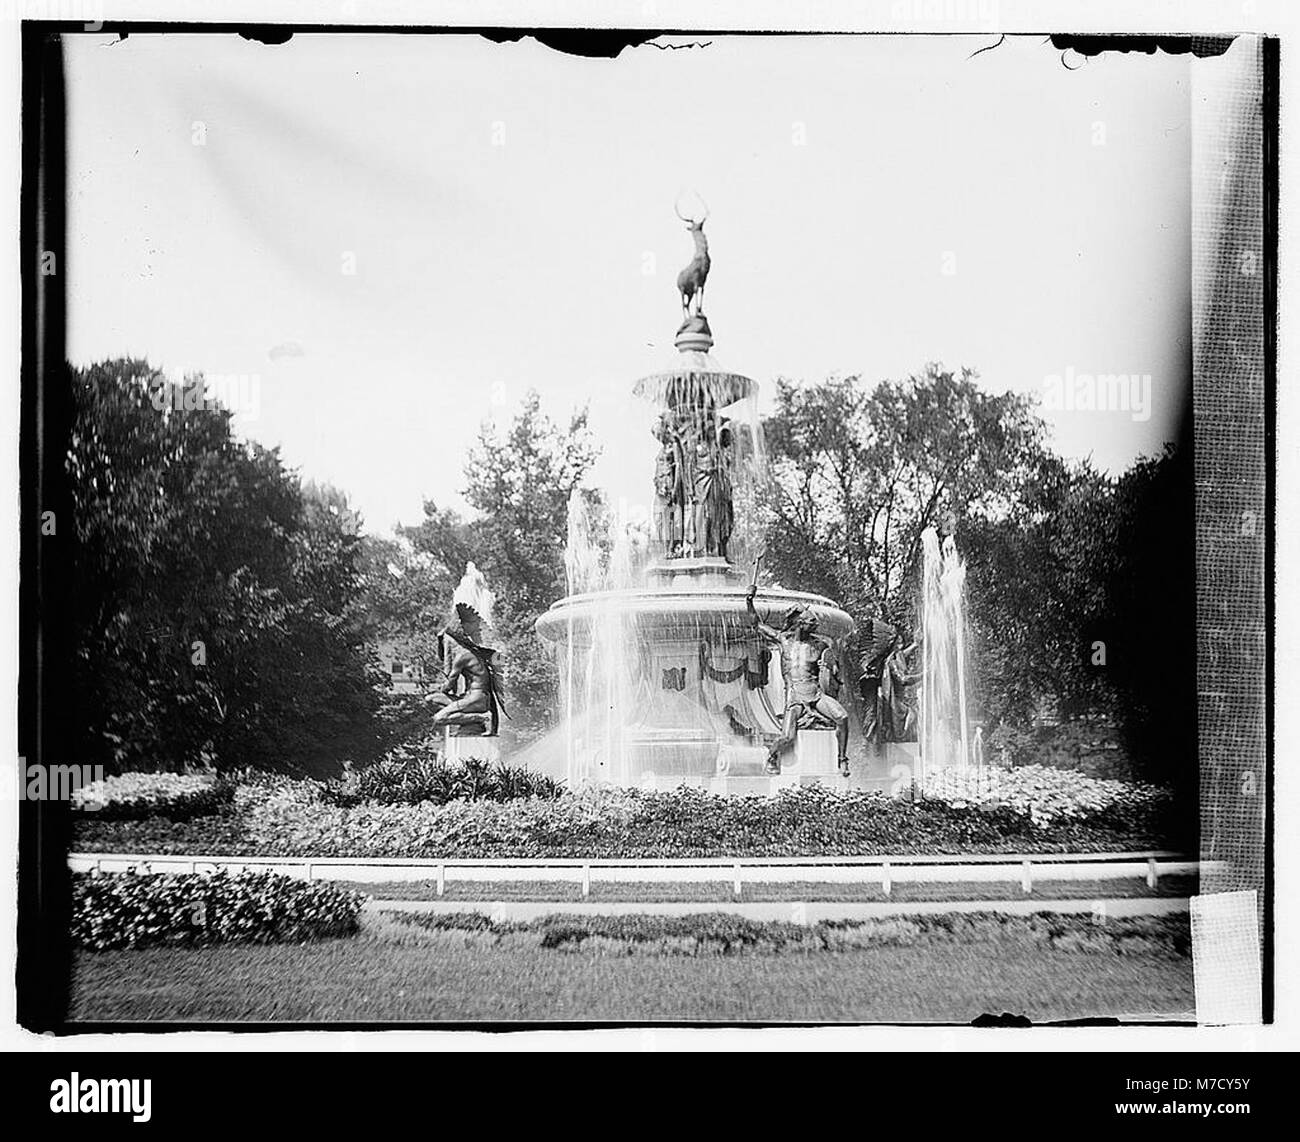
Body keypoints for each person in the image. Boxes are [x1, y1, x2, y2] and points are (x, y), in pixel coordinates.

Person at [746, 584, 850, 776]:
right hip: (794, 696)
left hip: (816, 694)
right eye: (811, 624)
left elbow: (833, 673)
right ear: (800, 624)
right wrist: (749, 601)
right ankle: (772, 755)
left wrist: (830, 669)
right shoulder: (783, 640)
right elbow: (756, 625)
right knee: (787, 737)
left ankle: (842, 759)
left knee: (842, 717)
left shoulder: (820, 645)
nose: (814, 626)